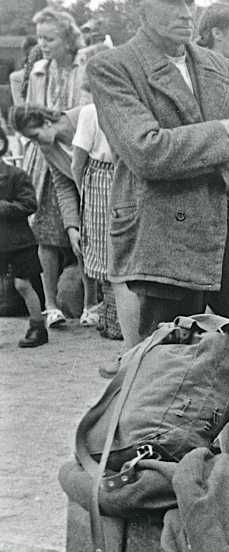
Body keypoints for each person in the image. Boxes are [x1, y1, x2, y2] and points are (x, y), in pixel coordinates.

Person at [87, 0, 229, 338]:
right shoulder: (113, 68)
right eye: (172, 3)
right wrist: (224, 130)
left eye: (189, 2)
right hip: (166, 240)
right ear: (141, 10)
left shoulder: (223, 67)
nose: (186, 13)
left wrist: (206, 166)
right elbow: (147, 152)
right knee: (171, 359)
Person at [24, 6, 88, 331]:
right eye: (40, 38)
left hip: (77, 153)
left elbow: (88, 113)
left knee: (86, 227)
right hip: (45, 157)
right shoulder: (38, 70)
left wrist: (59, 125)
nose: (43, 44)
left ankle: (91, 302)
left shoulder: (83, 65)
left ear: (66, 38)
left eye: (49, 38)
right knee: (46, 232)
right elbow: (30, 113)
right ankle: (50, 305)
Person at [10, 105, 81, 330]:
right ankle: (51, 305)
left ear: (47, 123)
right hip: (79, 193)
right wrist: (71, 225)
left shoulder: (84, 119)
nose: (36, 143)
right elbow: (63, 185)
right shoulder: (48, 148)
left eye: (35, 136)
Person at [68, 43, 121, 339]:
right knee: (116, 246)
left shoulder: (90, 112)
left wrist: (83, 192)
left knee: (102, 247)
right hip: (124, 177)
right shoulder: (124, 106)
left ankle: (113, 317)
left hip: (100, 179)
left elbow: (77, 162)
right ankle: (114, 315)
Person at [0, 124, 46, 348]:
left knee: (23, 285)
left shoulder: (16, 175)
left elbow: (30, 204)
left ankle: (38, 328)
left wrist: (4, 207)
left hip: (19, 243)